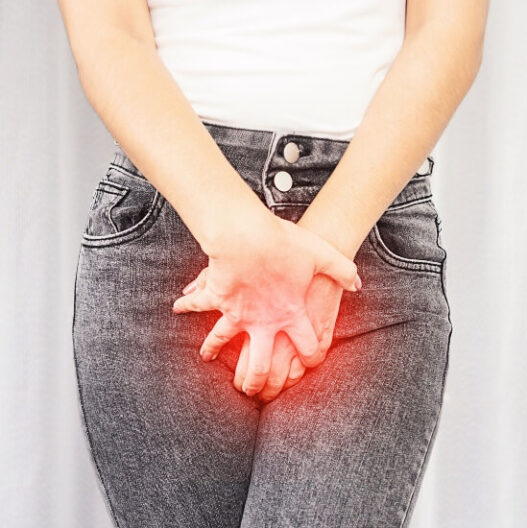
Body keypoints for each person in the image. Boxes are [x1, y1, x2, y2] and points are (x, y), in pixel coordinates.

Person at [58, 0, 488, 525]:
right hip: (172, 231)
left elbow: (447, 33)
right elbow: (109, 37)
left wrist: (320, 250)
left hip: (362, 235)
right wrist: (240, 238)